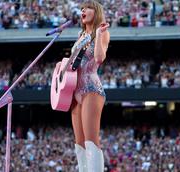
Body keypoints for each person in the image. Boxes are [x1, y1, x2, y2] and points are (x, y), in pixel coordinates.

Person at [70, 0, 110, 171]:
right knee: (79, 144)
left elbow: (100, 58)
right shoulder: (80, 35)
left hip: (91, 89)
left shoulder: (103, 32)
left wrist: (99, 35)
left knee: (91, 140)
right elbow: (72, 64)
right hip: (74, 92)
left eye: (87, 8)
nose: (83, 11)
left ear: (96, 11)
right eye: (81, 9)